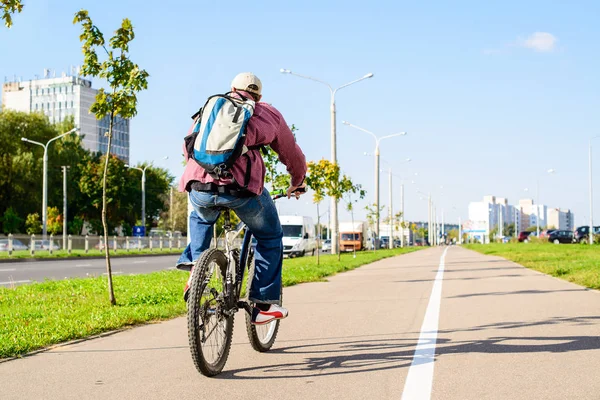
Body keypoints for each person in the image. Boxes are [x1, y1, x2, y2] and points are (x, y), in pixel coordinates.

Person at [177, 72, 307, 325]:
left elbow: (187, 146)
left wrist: (202, 174)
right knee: (269, 235)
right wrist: (297, 181)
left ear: (232, 88)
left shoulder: (211, 107)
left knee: (201, 216)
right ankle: (262, 305)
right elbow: (291, 153)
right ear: (259, 95)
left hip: (199, 184)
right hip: (241, 190)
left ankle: (196, 268)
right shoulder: (267, 112)